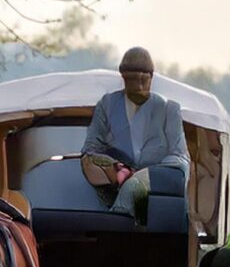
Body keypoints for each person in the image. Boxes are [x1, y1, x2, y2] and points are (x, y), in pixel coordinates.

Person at [80, 47, 190, 217]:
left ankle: (122, 221)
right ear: (123, 77)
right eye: (132, 79)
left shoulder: (169, 110)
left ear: (151, 77)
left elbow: (180, 156)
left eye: (143, 80)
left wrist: (148, 174)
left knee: (134, 189)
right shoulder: (108, 105)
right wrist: (113, 168)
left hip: (153, 185)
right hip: (113, 182)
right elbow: (91, 148)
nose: (138, 87)